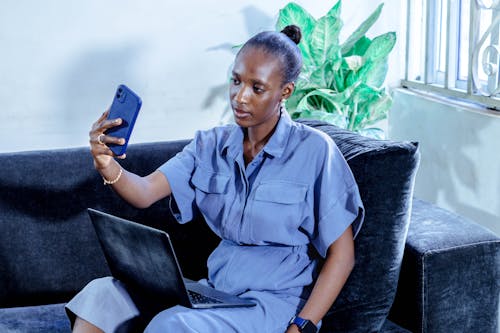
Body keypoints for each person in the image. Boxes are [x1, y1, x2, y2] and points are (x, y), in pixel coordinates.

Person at [66, 25, 364, 333]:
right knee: (103, 294)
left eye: (256, 88)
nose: (240, 96)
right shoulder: (209, 144)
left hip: (272, 305)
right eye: (236, 81)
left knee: (172, 325)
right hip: (216, 294)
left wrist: (302, 326)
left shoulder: (315, 151)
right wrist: (106, 164)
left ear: (284, 92)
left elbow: (342, 256)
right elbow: (144, 192)